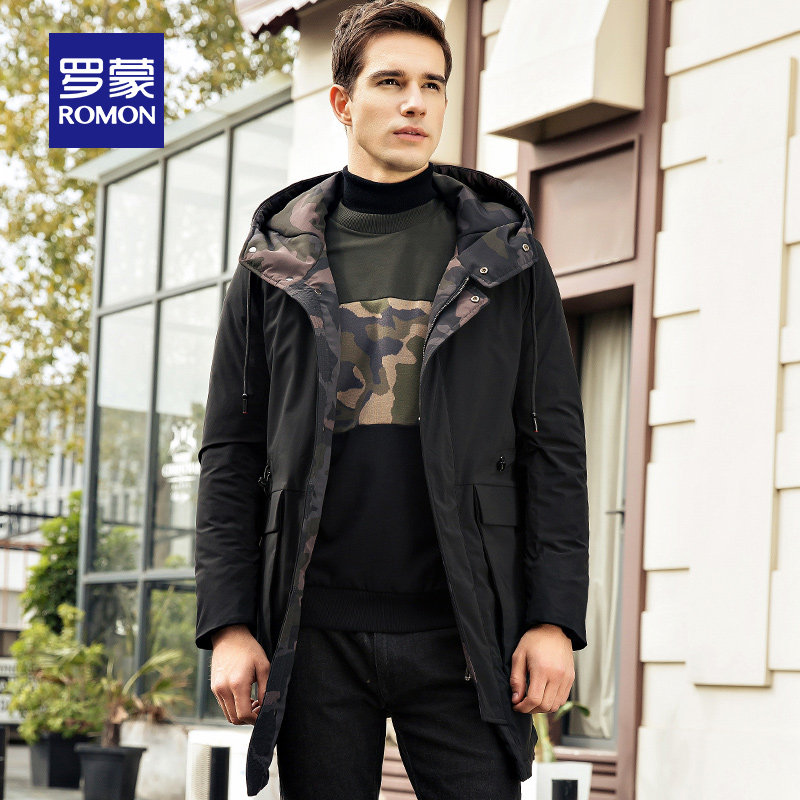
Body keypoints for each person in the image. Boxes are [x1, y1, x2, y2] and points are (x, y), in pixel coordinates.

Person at [194, 1, 590, 798]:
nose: (415, 103)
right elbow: (231, 451)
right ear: (343, 102)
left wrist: (553, 619)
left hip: (465, 630)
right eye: (391, 82)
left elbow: (554, 448)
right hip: (314, 634)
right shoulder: (274, 259)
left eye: (432, 85)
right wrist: (229, 622)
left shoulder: (506, 255)